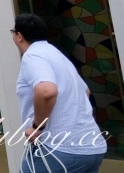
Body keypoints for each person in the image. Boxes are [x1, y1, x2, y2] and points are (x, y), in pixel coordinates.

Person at [13, 13, 106, 172]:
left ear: (19, 36)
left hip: (58, 149)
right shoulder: (57, 55)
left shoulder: (33, 55)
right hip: (92, 148)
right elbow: (86, 91)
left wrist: (36, 127)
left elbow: (46, 91)